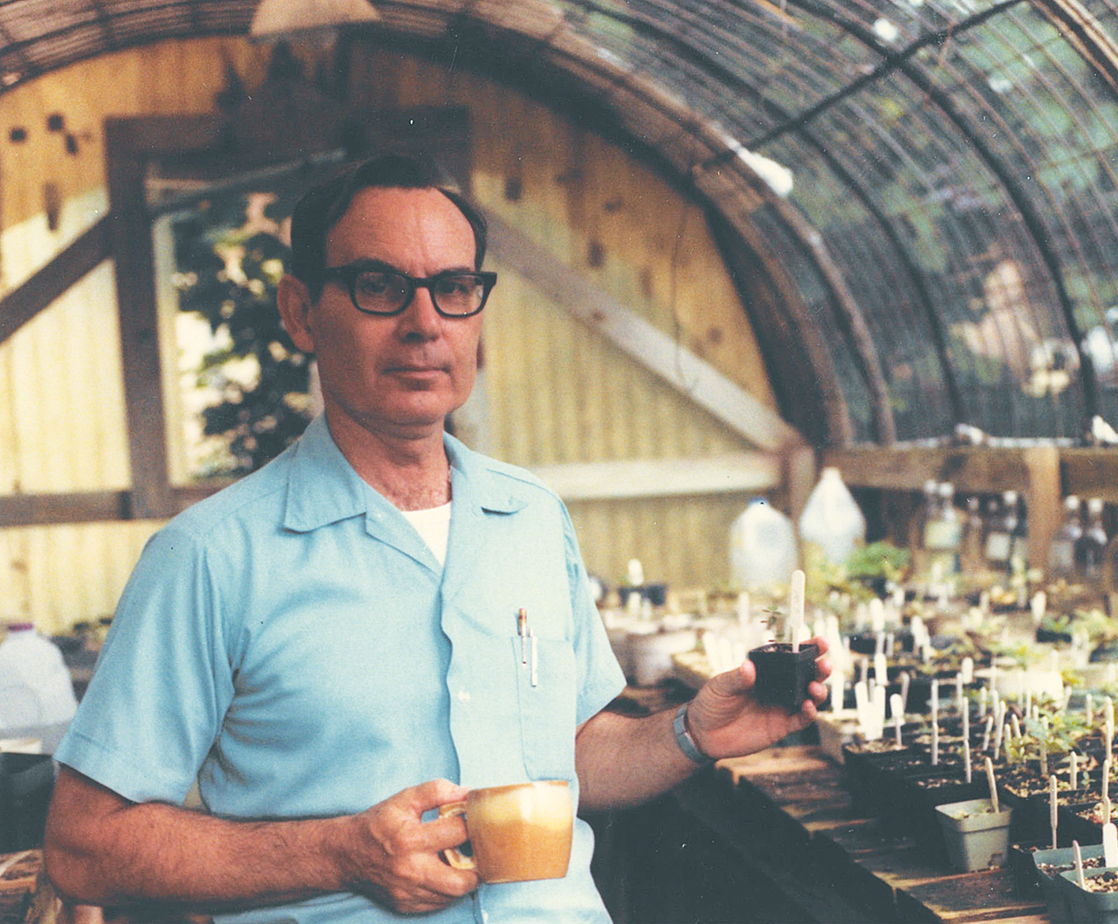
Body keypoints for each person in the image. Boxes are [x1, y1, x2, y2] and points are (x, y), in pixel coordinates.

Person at [43, 154, 831, 923]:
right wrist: (339, 854)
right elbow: (85, 848)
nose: (425, 324)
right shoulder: (212, 557)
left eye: (453, 288)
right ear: (301, 312)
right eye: (378, 286)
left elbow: (566, 760)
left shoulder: (530, 518)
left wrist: (693, 731)